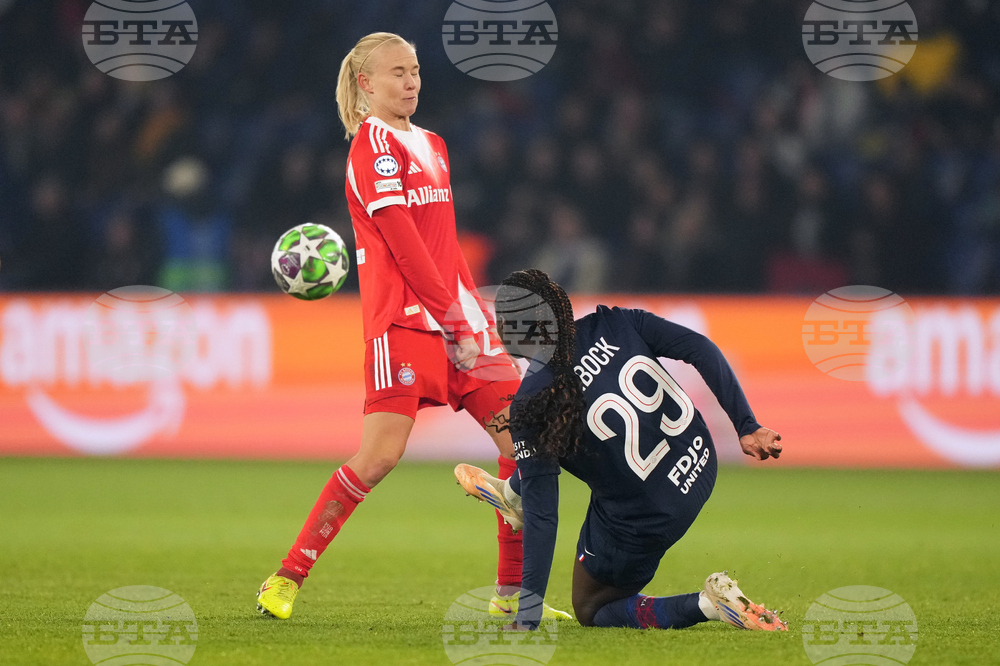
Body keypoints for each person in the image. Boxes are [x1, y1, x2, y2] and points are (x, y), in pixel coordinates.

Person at [255, 33, 570, 621]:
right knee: (378, 458)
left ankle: (514, 594)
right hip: (403, 326)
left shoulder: (434, 144)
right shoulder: (370, 148)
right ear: (366, 85)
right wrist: (451, 318)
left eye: (416, 72)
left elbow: (441, 244)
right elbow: (402, 245)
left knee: (522, 444)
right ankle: (287, 577)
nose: (412, 82)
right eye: (397, 73)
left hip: (459, 322)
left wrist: (471, 316)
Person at [455, 269, 787, 631]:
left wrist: (528, 616)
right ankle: (514, 491)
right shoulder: (613, 322)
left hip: (649, 515)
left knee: (592, 607)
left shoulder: (531, 404)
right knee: (562, 438)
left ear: (512, 328)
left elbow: (545, 517)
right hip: (700, 464)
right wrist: (746, 425)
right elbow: (700, 348)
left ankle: (708, 604)